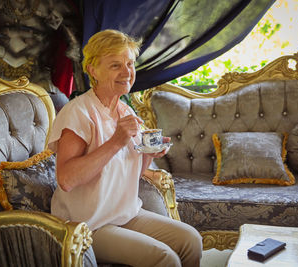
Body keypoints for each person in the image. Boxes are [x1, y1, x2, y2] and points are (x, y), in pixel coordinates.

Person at [48, 29, 202, 267]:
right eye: (115, 66)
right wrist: (116, 141)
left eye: (130, 64)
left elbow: (130, 175)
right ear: (93, 70)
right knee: (165, 258)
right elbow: (66, 179)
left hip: (124, 214)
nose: (127, 72)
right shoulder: (78, 113)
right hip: (86, 226)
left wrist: (147, 155)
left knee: (191, 240)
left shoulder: (125, 111)